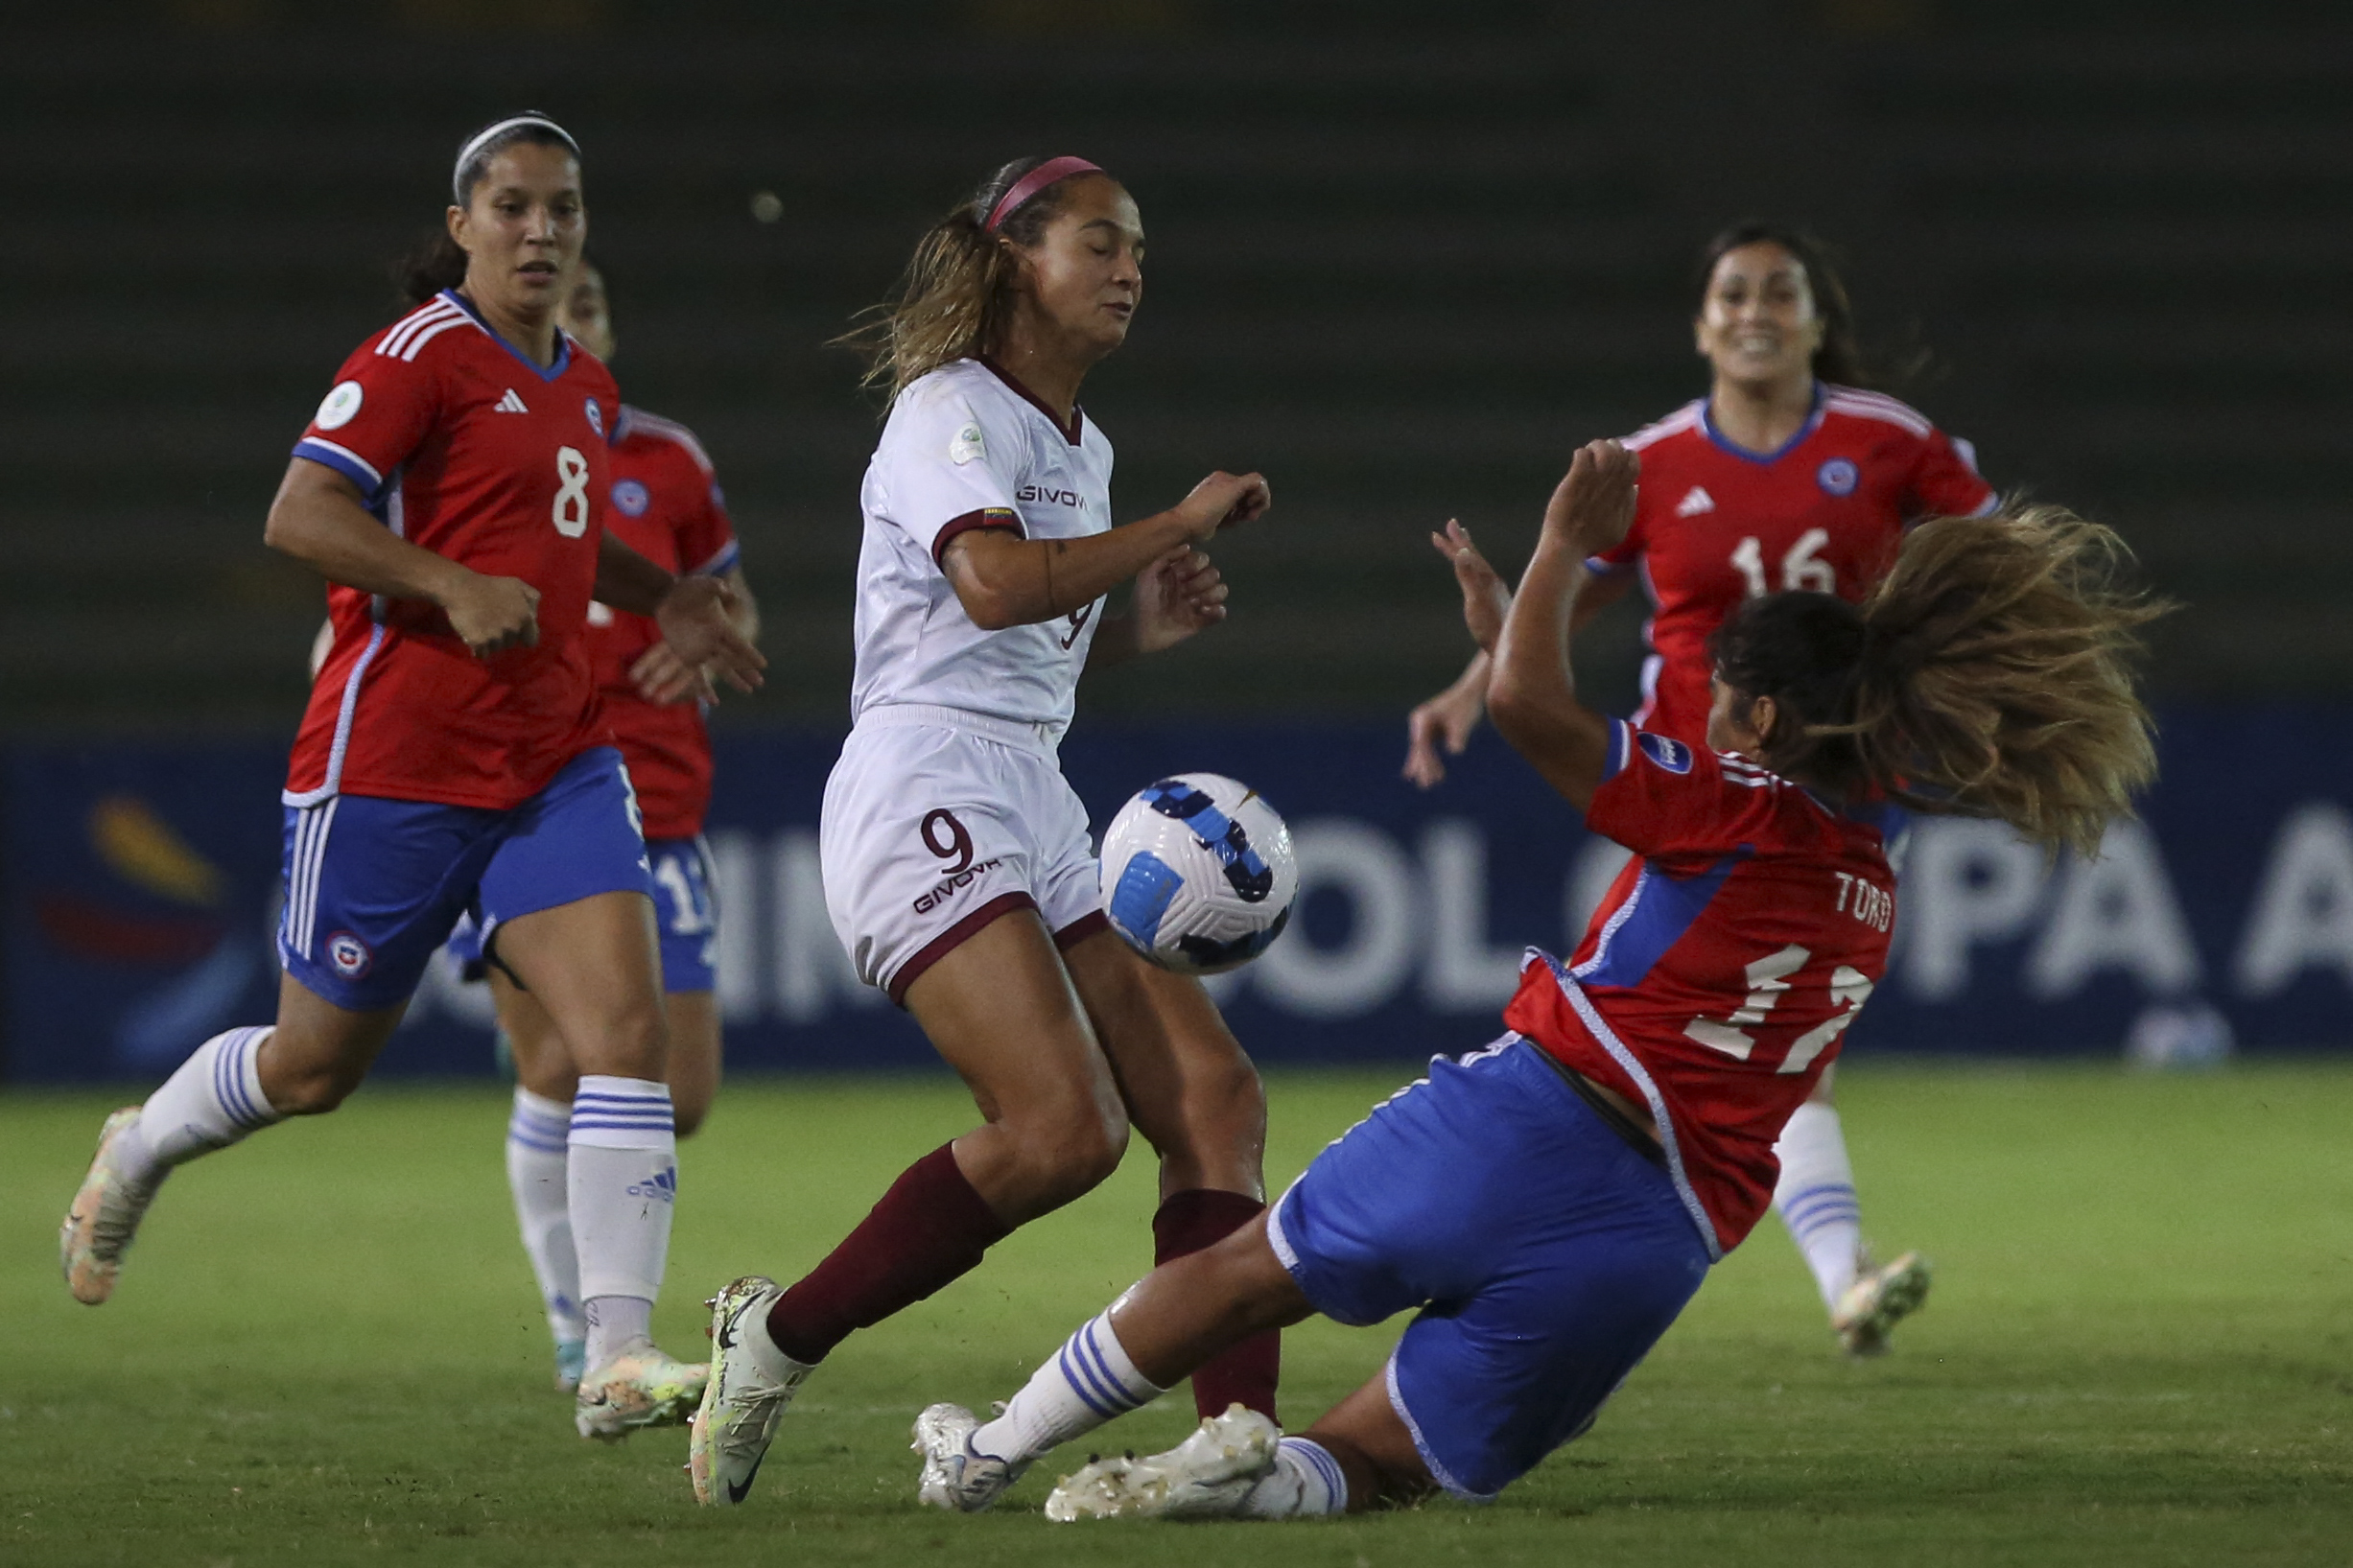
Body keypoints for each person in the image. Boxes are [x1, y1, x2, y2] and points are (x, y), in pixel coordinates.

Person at [911, 438, 2162, 1520]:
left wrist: (1564, 548)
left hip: (1527, 1122)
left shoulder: (1735, 804)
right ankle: (1242, 1478)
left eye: (1725, 701)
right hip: (1655, 1240)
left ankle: (986, 1452)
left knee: (1244, 1272)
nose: (1709, 722)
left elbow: (1524, 701)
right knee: (1377, 1463)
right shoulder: (1870, 891)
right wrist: (1511, 626)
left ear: (1768, 719)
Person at [58, 114, 765, 1443]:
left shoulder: (585, 389)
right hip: (393, 766)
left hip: (554, 757)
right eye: (512, 206)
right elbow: (298, 511)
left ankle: (616, 1353)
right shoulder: (419, 356)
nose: (540, 229)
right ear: (463, 224)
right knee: (315, 1065)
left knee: (628, 1038)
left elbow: (564, 542)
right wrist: (446, 581)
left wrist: (672, 600)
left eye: (562, 208)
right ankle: (139, 1145)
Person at [687, 154, 1278, 1508]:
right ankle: (774, 1339)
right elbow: (994, 586)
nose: (1130, 268)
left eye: (1137, 248)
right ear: (1017, 263)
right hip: (920, 782)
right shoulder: (945, 407)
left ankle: (1229, 1443)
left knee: (1212, 1102)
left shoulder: (1082, 443)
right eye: (1099, 244)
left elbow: (1030, 651)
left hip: (1030, 777)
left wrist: (1142, 625)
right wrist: (1169, 527)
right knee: (1064, 1128)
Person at [1403, 224, 1996, 1353]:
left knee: (1743, 1042)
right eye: (1732, 292)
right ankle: (1832, 1277)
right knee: (1726, 1040)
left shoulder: (1889, 444)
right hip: (1690, 792)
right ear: (1699, 323)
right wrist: (1469, 686)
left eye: (1781, 290)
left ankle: (1787, 1271)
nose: (1755, 308)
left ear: (1818, 320)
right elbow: (1574, 597)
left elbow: (1995, 563)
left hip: (1839, 794)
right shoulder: (1654, 461)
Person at [444, 261, 761, 1393]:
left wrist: (707, 632)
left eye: (590, 306)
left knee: (679, 1094)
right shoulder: (465, 439)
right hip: (525, 788)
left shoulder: (668, 459)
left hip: (658, 794)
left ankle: (601, 1334)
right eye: (553, 305)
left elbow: (731, 597)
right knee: (565, 1066)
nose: (568, 322)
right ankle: (588, 1337)